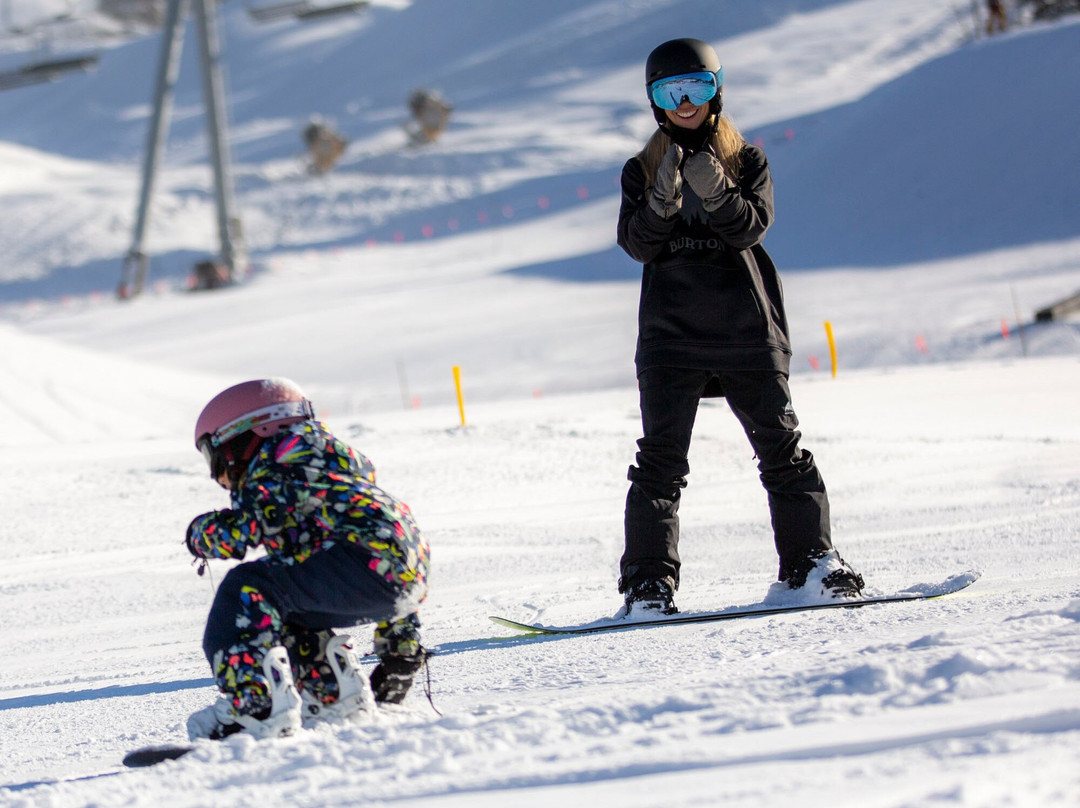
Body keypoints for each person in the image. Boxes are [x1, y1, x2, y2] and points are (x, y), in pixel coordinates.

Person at [615, 38, 864, 617]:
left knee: (782, 450)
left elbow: (751, 228)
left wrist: (716, 189)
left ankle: (811, 565)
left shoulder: (746, 161)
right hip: (670, 335)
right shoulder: (641, 170)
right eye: (669, 91)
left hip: (746, 329)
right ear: (654, 101)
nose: (684, 102)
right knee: (659, 462)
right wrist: (661, 201)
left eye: (696, 88)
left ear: (716, 93)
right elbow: (637, 244)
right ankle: (648, 586)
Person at [185, 378, 430, 740]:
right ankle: (335, 697)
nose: (215, 473)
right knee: (287, 609)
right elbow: (392, 566)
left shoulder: (282, 464)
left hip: (362, 565)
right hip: (397, 575)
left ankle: (256, 708)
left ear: (246, 436)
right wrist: (400, 656)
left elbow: (250, 525)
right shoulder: (327, 467)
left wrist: (201, 532)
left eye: (214, 455)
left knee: (247, 588)